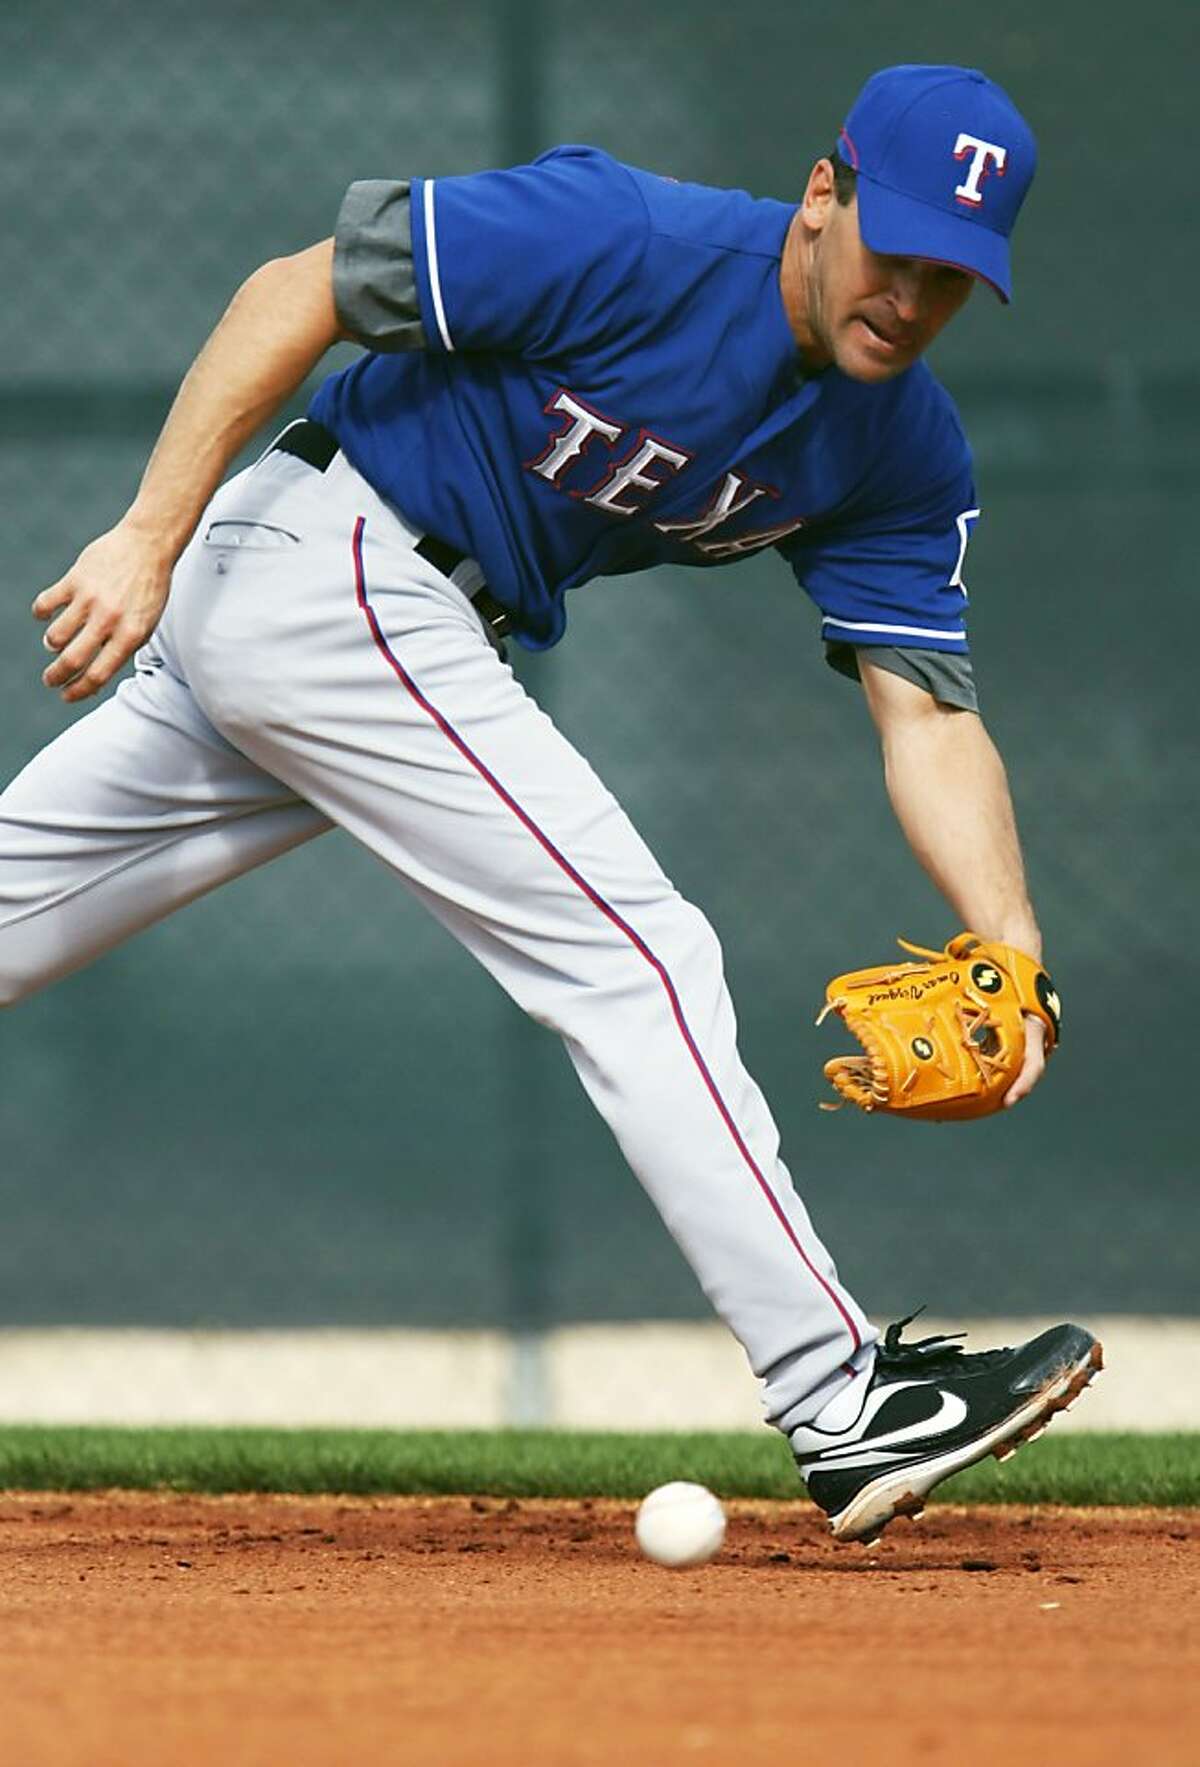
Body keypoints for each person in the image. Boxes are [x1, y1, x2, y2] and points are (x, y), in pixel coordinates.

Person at [1, 63, 1099, 1544]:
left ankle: (840, 1391)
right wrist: (148, 531)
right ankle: (844, 1399)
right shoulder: (623, 234)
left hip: (342, 622)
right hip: (337, 564)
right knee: (642, 961)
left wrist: (1011, 943)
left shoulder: (900, 444)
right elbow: (297, 288)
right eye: (894, 249)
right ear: (823, 195)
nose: (910, 298)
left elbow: (927, 712)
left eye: (953, 279)